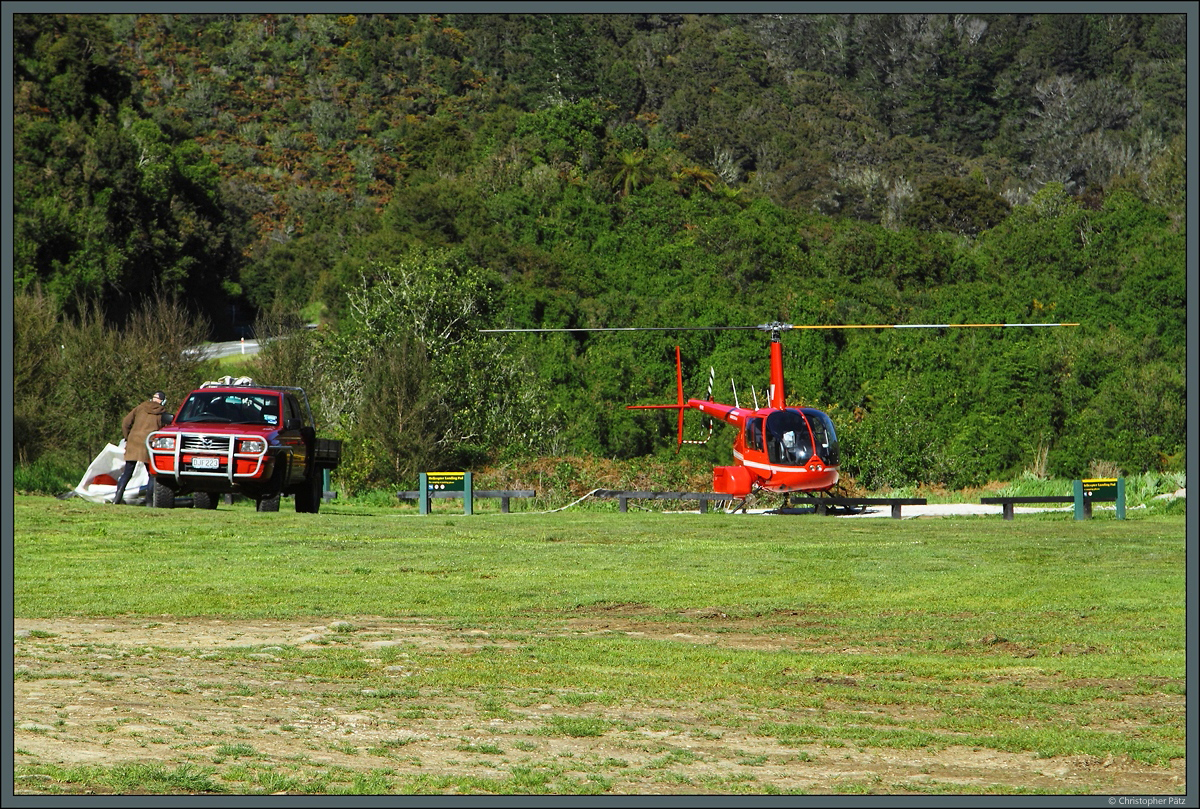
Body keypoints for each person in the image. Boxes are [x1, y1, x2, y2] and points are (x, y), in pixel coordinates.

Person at [113, 391, 170, 505]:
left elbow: (126, 422)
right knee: (152, 474)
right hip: (149, 443)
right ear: (163, 401)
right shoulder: (162, 413)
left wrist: (128, 437)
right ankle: (149, 501)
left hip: (133, 442)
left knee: (128, 472)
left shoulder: (140, 407)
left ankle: (117, 498)